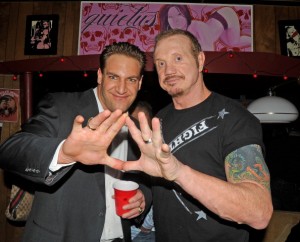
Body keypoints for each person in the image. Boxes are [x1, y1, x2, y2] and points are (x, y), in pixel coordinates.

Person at [123, 29, 273, 242]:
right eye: (161, 63)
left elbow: (259, 213)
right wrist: (143, 198)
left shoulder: (234, 118)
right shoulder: (160, 120)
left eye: (178, 58)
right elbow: (156, 180)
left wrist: (179, 172)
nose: (169, 70)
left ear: (200, 60)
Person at [0, 42, 152, 242]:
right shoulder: (62, 106)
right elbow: (10, 150)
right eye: (113, 77)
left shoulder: (137, 128)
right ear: (99, 75)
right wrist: (63, 153)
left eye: (131, 79)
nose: (122, 88)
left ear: (140, 83)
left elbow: (144, 181)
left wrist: (142, 198)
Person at [159, 5, 251, 51]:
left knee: (233, 42)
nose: (175, 20)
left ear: (185, 14)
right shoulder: (173, 33)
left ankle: (252, 40)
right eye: (170, 17)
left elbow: (208, 51)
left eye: (179, 14)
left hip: (227, 16)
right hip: (214, 27)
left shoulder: (198, 27)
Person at [130, 101, 155, 242]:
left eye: (140, 122)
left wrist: (146, 226)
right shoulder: (121, 147)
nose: (135, 127)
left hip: (144, 231)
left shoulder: (155, 147)